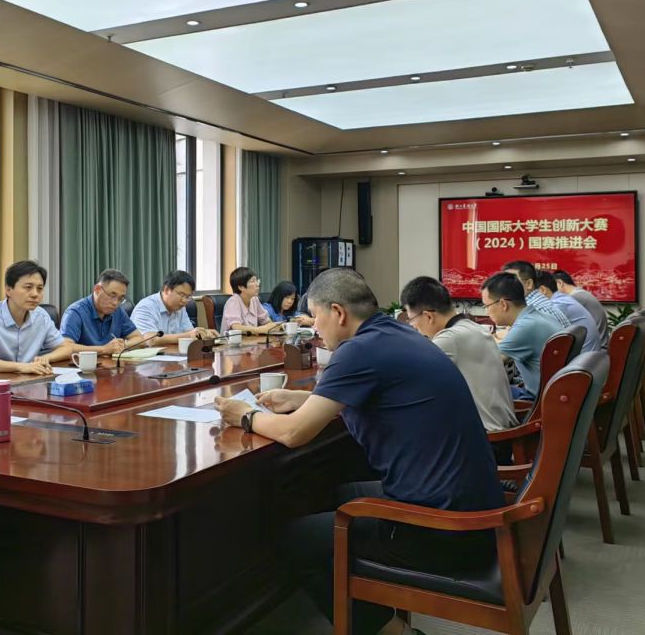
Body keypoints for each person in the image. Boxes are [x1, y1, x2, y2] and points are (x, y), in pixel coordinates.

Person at [215, 269, 503, 635]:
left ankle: (393, 632)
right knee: (340, 492)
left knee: (295, 538)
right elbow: (380, 394)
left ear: (338, 312)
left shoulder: (358, 350)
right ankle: (365, 595)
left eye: (315, 317)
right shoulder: (395, 332)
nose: (314, 327)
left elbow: (294, 433)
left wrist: (246, 415)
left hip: (444, 530)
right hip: (475, 505)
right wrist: (304, 399)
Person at [400, 276, 517, 433]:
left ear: (429, 316)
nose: (414, 327)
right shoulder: (473, 328)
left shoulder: (450, 338)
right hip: (501, 430)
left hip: (486, 437)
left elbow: (410, 376)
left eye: (411, 320)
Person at [0, 260, 73, 374]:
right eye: (28, 287)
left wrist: (45, 358)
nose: (35, 294)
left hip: (30, 380)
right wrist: (20, 367)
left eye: (39, 288)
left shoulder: (41, 316)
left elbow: (66, 349)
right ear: (8, 290)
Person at [481, 272, 562, 400]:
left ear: (503, 304)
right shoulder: (540, 317)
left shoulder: (526, 326)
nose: (486, 312)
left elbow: (488, 362)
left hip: (536, 400)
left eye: (487, 306)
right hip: (553, 393)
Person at [61, 268, 148, 356]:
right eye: (112, 296)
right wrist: (103, 349)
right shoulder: (75, 312)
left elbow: (140, 339)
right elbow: (66, 346)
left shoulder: (118, 311)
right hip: (84, 364)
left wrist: (121, 346)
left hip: (110, 363)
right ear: (97, 290)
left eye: (120, 298)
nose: (115, 303)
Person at [130, 270, 218, 344]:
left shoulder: (180, 307)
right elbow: (150, 340)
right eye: (181, 294)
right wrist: (189, 335)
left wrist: (203, 333)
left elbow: (189, 331)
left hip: (170, 355)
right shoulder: (146, 307)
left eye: (188, 296)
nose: (184, 300)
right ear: (166, 290)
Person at [535, 271, 602, 352]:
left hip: (585, 356)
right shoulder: (565, 298)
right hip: (591, 354)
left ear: (543, 290)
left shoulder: (559, 304)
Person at [502, 260, 571, 328]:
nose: (505, 286)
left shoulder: (533, 309)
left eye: (512, 281)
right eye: (504, 281)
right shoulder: (538, 302)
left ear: (529, 284)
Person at [554, 269, 610, 349]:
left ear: (560, 283)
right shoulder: (580, 293)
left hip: (596, 348)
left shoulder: (574, 298)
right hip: (598, 345)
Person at [220, 266, 280, 335]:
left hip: (252, 340)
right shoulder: (233, 301)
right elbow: (236, 327)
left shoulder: (254, 299)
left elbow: (266, 321)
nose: (257, 284)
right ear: (241, 287)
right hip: (233, 341)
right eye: (252, 281)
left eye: (257, 280)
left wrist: (273, 327)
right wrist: (261, 329)